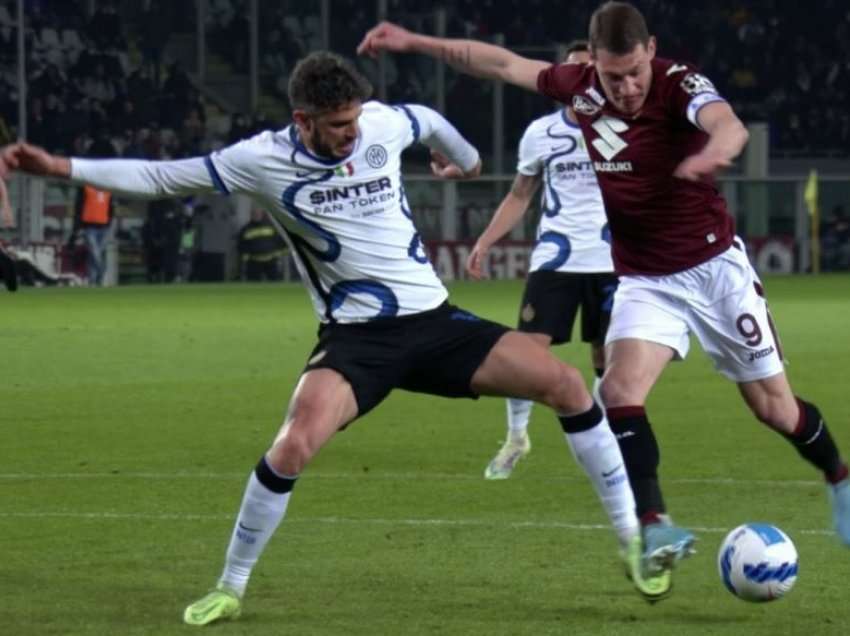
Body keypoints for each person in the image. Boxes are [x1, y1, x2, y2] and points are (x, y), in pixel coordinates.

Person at [0, 51, 663, 625]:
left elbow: (426, 120)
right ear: (303, 122)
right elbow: (161, 177)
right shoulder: (260, 160)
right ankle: (230, 587)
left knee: (569, 384)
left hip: (435, 323)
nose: (350, 134)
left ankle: (633, 541)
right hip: (356, 341)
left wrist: (458, 157)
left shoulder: (378, 122)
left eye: (354, 120)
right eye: (336, 126)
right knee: (293, 445)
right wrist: (58, 166)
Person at [359, 0, 850, 589]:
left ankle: (839, 478)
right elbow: (499, 64)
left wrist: (717, 151)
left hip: (716, 272)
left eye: (633, 72)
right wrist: (417, 41)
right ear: (595, 63)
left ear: (650, 51)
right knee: (617, 389)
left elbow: (728, 123)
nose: (624, 87)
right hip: (645, 279)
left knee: (775, 408)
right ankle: (656, 524)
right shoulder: (581, 87)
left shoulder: (677, 84)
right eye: (612, 76)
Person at [467, 40, 618, 481]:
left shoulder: (622, 128)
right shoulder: (540, 134)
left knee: (605, 357)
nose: (580, 79)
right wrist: (485, 241)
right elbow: (519, 196)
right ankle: (517, 437)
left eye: (588, 71)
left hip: (611, 258)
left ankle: (604, 441)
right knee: (525, 356)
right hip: (556, 257)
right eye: (572, 71)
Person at [237, 208, 287, 281]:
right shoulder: (246, 229)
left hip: (271, 260)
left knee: (275, 283)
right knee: (253, 283)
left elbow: (281, 241)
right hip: (254, 261)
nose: (256, 216)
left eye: (258, 214)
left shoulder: (271, 227)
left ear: (262, 214)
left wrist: (280, 252)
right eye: (254, 214)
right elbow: (241, 244)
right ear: (251, 215)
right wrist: (244, 255)